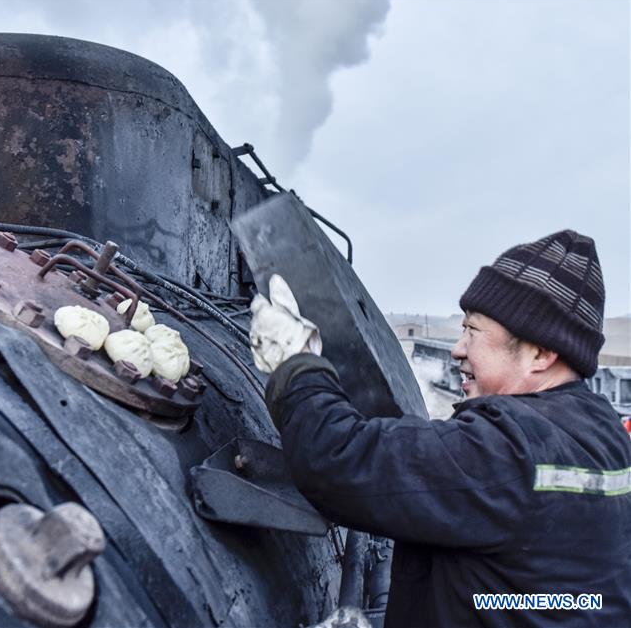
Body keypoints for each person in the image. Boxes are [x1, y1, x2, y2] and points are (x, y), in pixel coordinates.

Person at [250, 230, 631, 627]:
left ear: (540, 353)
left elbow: (338, 458)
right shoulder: (605, 432)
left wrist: (296, 364)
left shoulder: (508, 446)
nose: (458, 349)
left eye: (473, 331)